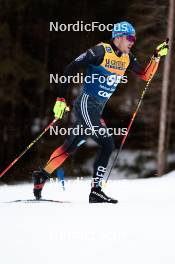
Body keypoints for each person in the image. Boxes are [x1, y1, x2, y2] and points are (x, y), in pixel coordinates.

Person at [32, 21, 168, 203]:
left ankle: (42, 175)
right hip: (86, 104)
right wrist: (60, 99)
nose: (132, 42)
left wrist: (156, 56)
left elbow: (145, 75)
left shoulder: (127, 57)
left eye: (134, 39)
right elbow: (69, 69)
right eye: (130, 38)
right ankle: (96, 190)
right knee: (108, 144)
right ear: (118, 38)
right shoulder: (100, 51)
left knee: (69, 147)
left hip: (96, 109)